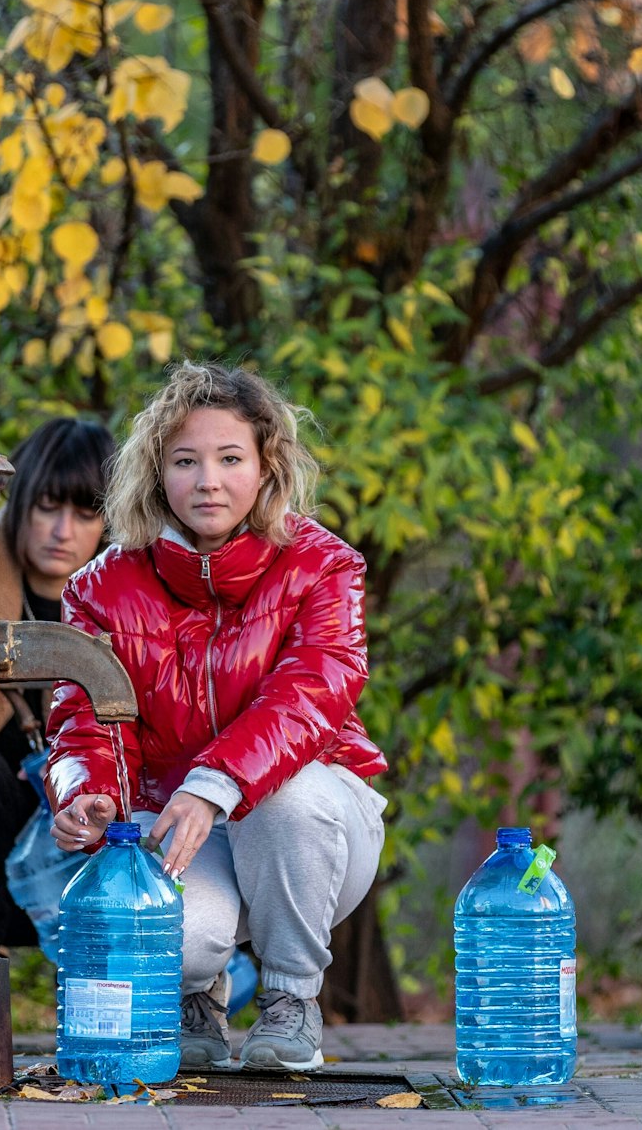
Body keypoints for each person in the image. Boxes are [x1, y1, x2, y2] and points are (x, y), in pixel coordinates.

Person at [44, 363, 389, 1072]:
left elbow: (313, 692)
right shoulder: (99, 587)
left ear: (266, 469)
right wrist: (87, 791)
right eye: (185, 460)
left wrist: (214, 782)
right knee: (165, 931)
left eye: (231, 458)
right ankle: (194, 997)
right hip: (182, 830)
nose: (208, 480)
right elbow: (82, 715)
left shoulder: (325, 566)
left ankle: (291, 999)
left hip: (315, 824)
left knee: (286, 794)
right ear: (156, 472)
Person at [0, 417, 116, 947]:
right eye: (48, 508)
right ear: (22, 501)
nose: (63, 532)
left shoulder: (127, 600)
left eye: (85, 514)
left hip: (97, 815)